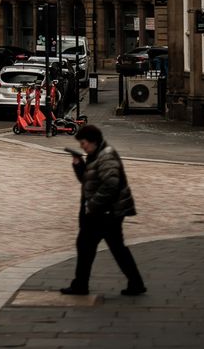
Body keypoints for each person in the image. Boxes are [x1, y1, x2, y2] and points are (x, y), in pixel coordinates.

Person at [61, 124, 145, 297]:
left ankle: (81, 285)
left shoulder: (106, 157)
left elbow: (110, 185)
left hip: (106, 214)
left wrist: (92, 205)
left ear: (93, 141)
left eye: (83, 143)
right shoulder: (96, 155)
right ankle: (135, 283)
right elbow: (88, 182)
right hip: (104, 213)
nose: (82, 147)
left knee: (92, 246)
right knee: (104, 247)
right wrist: (78, 164)